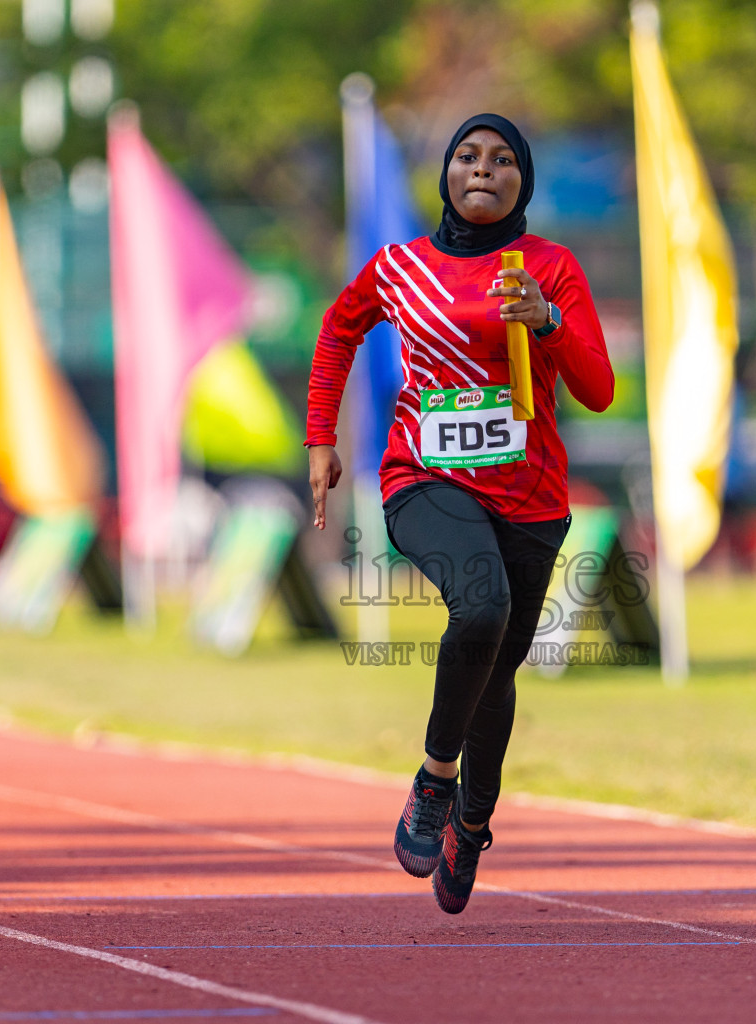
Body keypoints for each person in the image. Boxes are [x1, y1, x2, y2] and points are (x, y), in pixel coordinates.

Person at [304, 114, 614, 913]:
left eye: (504, 158)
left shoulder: (549, 267)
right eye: (469, 156)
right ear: (445, 173)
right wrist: (320, 440)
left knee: (497, 664)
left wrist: (545, 320)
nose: (485, 168)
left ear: (524, 182)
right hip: (423, 479)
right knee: (482, 605)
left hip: (533, 498)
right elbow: (339, 331)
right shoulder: (400, 267)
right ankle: (436, 778)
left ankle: (472, 824)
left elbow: (599, 389)